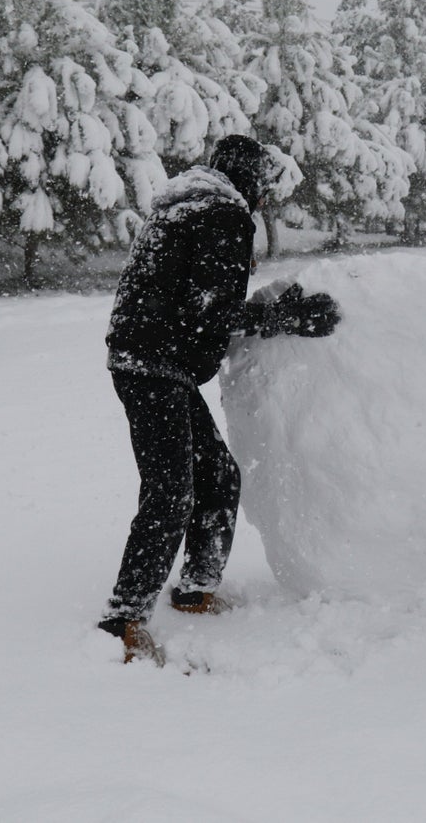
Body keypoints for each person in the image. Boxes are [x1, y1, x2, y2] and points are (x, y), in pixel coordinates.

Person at [99, 134, 340, 663]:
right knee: (171, 491)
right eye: (262, 187)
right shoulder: (223, 215)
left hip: (150, 361)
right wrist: (283, 319)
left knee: (218, 475)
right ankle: (123, 618)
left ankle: (196, 589)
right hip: (155, 364)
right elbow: (206, 310)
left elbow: (193, 300)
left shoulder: (184, 207)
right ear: (250, 181)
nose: (262, 199)